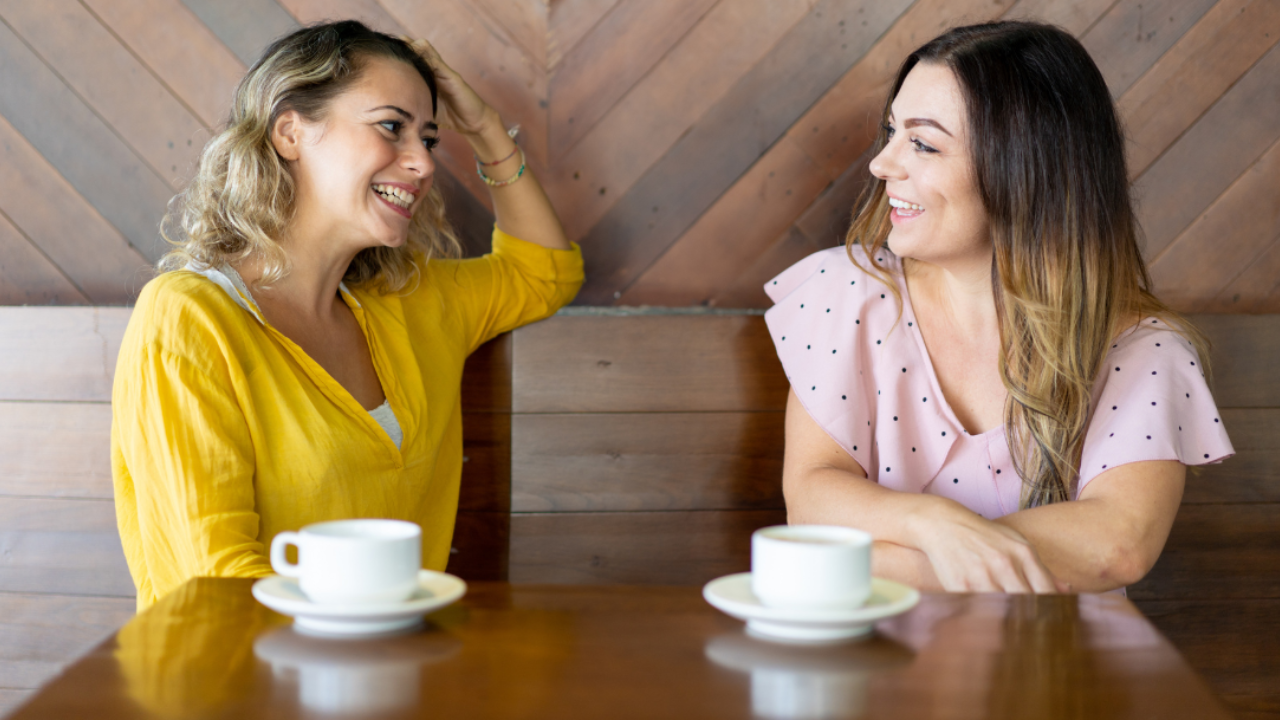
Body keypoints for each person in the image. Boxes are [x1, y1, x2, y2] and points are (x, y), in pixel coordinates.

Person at [112, 21, 583, 611]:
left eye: (430, 139)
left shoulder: (408, 304)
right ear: (291, 132)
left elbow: (544, 274)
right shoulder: (187, 319)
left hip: (390, 678)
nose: (423, 163)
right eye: (392, 127)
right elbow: (216, 578)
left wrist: (485, 127)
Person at [766, 21, 1232, 594]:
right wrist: (935, 523)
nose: (882, 164)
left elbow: (1117, 544)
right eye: (892, 132)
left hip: (1059, 673)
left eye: (923, 143)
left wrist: (878, 559)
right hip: (875, 662)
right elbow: (813, 497)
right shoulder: (848, 295)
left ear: (1024, 170)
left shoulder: (1143, 352)